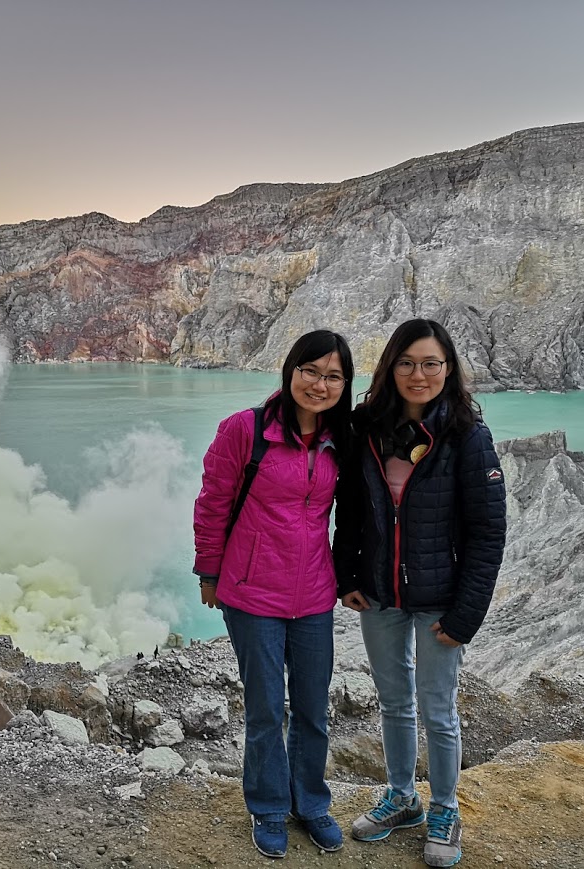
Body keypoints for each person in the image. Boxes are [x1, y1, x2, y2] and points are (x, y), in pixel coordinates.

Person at [333, 318, 506, 868]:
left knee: (438, 708)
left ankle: (445, 807)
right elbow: (352, 511)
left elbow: (487, 532)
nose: (419, 374)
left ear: (448, 370)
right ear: (391, 368)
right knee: (393, 703)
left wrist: (467, 615)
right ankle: (403, 797)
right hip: (380, 595)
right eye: (407, 363)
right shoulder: (369, 429)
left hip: (441, 600)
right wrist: (348, 576)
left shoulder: (467, 437)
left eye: (431, 364)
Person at [192, 329, 355, 859]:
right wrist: (209, 574)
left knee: (312, 706)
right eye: (311, 370)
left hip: (313, 593)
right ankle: (267, 806)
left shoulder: (341, 439)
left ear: (345, 385)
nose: (319, 384)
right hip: (251, 591)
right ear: (289, 370)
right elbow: (214, 504)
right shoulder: (246, 431)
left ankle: (310, 803)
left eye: (333, 376)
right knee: (266, 707)